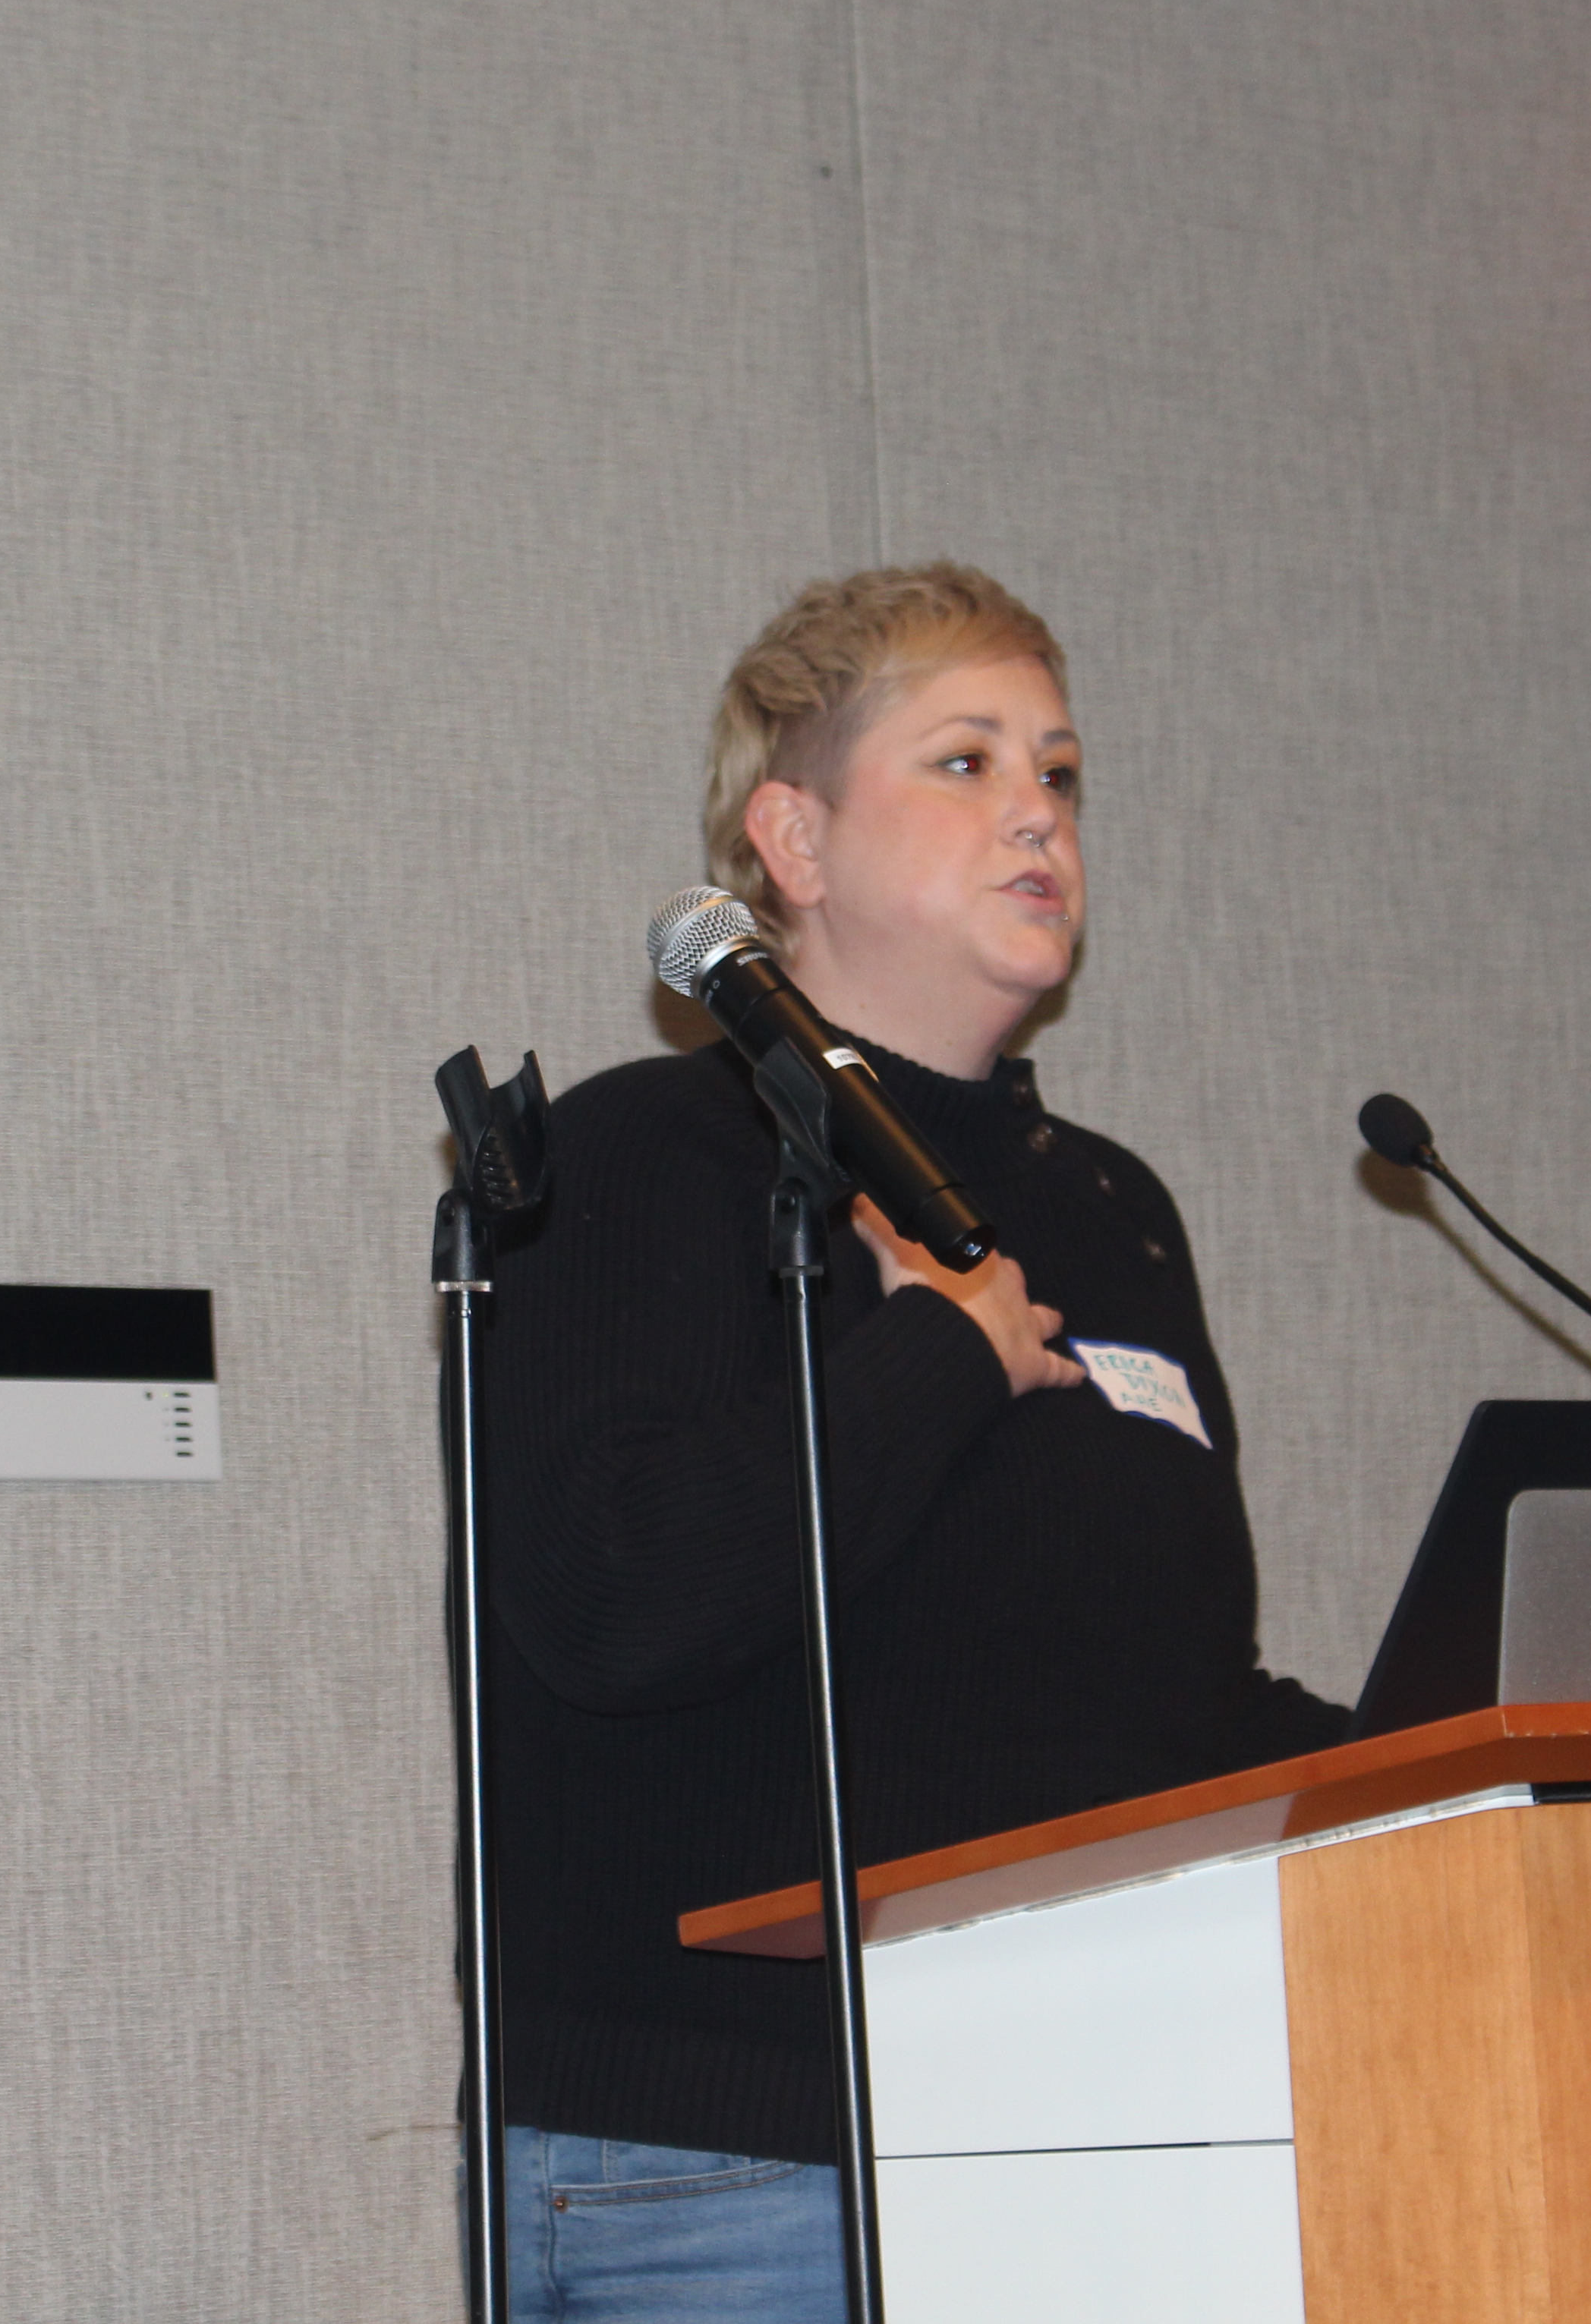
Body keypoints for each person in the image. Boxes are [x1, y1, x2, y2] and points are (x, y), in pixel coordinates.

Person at [472, 563, 1345, 2322]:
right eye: (965, 762)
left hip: (1096, 2130)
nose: (1039, 809)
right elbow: (614, 1599)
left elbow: (1174, 1696)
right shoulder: (641, 1160)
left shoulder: (1113, 1213)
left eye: (1063, 770)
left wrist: (1480, 1738)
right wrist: (932, 1355)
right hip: (734, 2160)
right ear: (790, 841)